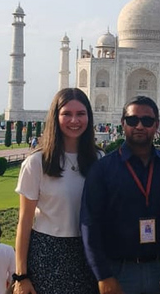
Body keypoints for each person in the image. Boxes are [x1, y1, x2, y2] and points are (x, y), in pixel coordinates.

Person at [80, 96, 160, 294]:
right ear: (123, 123)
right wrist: (103, 275)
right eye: (132, 120)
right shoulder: (103, 169)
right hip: (118, 269)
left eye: (147, 121)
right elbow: (90, 224)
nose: (139, 126)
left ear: (157, 124)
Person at [14, 88, 102, 294]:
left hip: (88, 254)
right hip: (48, 252)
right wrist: (21, 275)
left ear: (89, 116)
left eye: (80, 114)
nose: (74, 120)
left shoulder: (98, 159)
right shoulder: (37, 163)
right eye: (67, 114)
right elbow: (25, 222)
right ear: (56, 116)